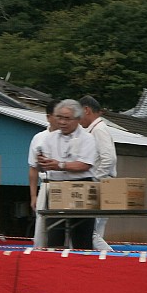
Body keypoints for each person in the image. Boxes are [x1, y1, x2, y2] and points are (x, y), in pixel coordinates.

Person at [36, 99, 97, 250]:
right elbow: (43, 165)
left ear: (77, 119)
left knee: (82, 233)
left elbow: (85, 164)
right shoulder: (49, 138)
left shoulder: (87, 138)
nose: (62, 122)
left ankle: (83, 266)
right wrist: (42, 162)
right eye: (59, 118)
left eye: (67, 118)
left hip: (82, 185)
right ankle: (55, 266)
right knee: (54, 232)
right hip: (56, 186)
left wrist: (60, 165)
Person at [79, 95, 117, 251]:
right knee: (96, 232)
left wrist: (95, 179)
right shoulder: (95, 129)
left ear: (86, 110)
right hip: (103, 184)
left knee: (90, 232)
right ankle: (105, 261)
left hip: (101, 185)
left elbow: (109, 159)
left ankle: (114, 258)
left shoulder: (99, 130)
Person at [27, 99, 60, 247]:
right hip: (46, 184)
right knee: (41, 223)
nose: (62, 120)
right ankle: (39, 252)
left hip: (66, 184)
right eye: (58, 115)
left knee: (65, 223)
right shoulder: (39, 138)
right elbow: (33, 168)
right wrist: (33, 195)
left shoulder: (73, 136)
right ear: (48, 116)